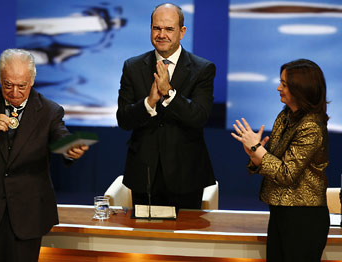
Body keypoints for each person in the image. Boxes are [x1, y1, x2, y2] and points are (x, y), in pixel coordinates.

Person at [0, 48, 89, 261]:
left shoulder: (50, 111)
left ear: (31, 81)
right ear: (0, 78)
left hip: (25, 218)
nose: (14, 92)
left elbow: (61, 137)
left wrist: (70, 150)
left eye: (21, 86)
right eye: (8, 85)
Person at [116, 3, 216, 210]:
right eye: (156, 28)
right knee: (145, 240)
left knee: (186, 239)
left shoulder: (203, 69)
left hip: (186, 175)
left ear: (182, 32)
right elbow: (124, 120)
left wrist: (169, 93)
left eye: (169, 29)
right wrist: (149, 102)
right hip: (144, 174)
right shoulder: (132, 67)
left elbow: (199, 116)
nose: (162, 34)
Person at [231, 59, 330, 262]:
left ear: (300, 89)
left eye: (284, 84)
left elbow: (286, 174)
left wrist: (257, 150)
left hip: (304, 218)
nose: (278, 88)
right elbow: (274, 161)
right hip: (281, 212)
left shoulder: (311, 127)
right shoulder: (285, 116)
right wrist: (255, 154)